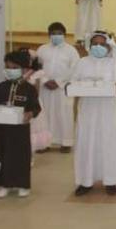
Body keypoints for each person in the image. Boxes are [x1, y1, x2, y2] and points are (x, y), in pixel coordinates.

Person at [71, 31, 116, 196]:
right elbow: (72, 81)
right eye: (95, 44)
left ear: (108, 46)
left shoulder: (114, 62)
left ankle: (111, 180)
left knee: (108, 143)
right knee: (86, 143)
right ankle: (85, 181)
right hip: (87, 109)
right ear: (89, 45)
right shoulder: (82, 63)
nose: (98, 47)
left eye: (102, 44)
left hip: (108, 110)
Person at [0, 51, 41, 198]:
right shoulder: (1, 87)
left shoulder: (29, 89)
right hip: (2, 130)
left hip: (20, 130)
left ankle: (23, 185)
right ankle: (5, 185)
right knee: (1, 155)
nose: (11, 70)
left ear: (24, 69)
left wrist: (30, 114)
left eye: (14, 67)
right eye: (8, 67)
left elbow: (36, 108)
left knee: (20, 157)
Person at [36, 22, 79, 153]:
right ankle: (45, 143)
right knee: (44, 115)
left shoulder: (71, 51)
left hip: (63, 88)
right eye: (53, 33)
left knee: (64, 114)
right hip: (45, 87)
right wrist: (45, 80)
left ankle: (66, 142)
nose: (56, 36)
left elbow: (75, 69)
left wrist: (59, 82)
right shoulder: (42, 49)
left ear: (64, 35)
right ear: (49, 35)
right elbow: (36, 67)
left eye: (59, 33)